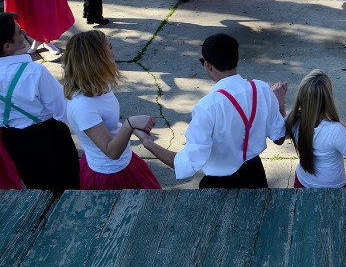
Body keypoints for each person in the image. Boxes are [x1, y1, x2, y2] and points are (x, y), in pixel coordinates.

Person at [135, 33, 287, 189]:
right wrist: (279, 103)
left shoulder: (208, 107)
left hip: (220, 184)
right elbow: (279, 138)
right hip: (256, 177)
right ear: (238, 58)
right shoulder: (262, 89)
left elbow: (188, 163)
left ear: (208, 65)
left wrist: (147, 142)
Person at [62, 31, 160, 190]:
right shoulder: (83, 107)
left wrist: (132, 130)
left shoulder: (99, 84)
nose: (114, 53)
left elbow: (109, 127)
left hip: (125, 161)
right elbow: (111, 152)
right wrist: (129, 124)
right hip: (110, 175)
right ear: (97, 59)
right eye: (110, 47)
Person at [0, 12, 80, 192]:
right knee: (68, 187)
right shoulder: (33, 71)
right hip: (48, 137)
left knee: (36, 187)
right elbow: (62, 109)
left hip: (13, 139)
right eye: (19, 33)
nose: (24, 33)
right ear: (7, 46)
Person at [286, 70, 346, 188]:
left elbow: (278, 135)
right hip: (333, 189)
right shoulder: (334, 131)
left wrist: (279, 104)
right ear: (328, 99)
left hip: (302, 182)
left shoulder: (293, 119)